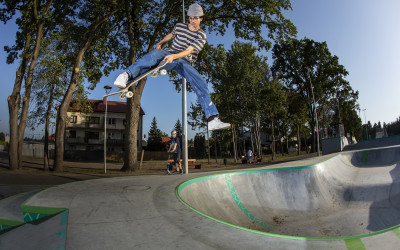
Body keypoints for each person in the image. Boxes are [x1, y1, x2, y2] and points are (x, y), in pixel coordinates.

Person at [113, 3, 230, 131]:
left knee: (200, 83)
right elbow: (170, 35)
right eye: (190, 18)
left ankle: (212, 119)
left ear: (201, 18)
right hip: (169, 53)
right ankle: (126, 75)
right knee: (153, 55)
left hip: (185, 61)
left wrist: (174, 56)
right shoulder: (180, 26)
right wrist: (161, 42)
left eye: (195, 18)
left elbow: (189, 51)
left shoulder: (201, 35)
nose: (192, 21)